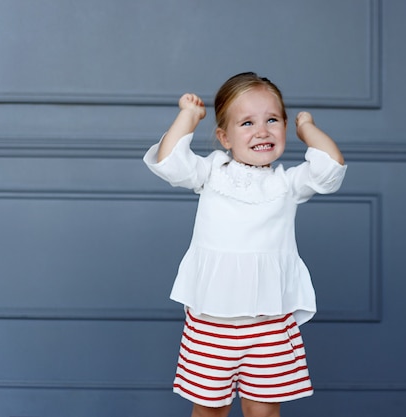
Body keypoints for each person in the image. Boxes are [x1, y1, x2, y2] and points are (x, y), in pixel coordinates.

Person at [143, 72, 346, 417]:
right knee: (209, 410)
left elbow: (331, 168)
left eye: (272, 120)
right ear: (224, 137)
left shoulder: (287, 183)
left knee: (263, 411)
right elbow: (168, 162)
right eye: (247, 123)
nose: (262, 131)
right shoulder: (211, 174)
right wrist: (188, 116)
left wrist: (307, 127)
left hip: (269, 322)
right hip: (211, 321)